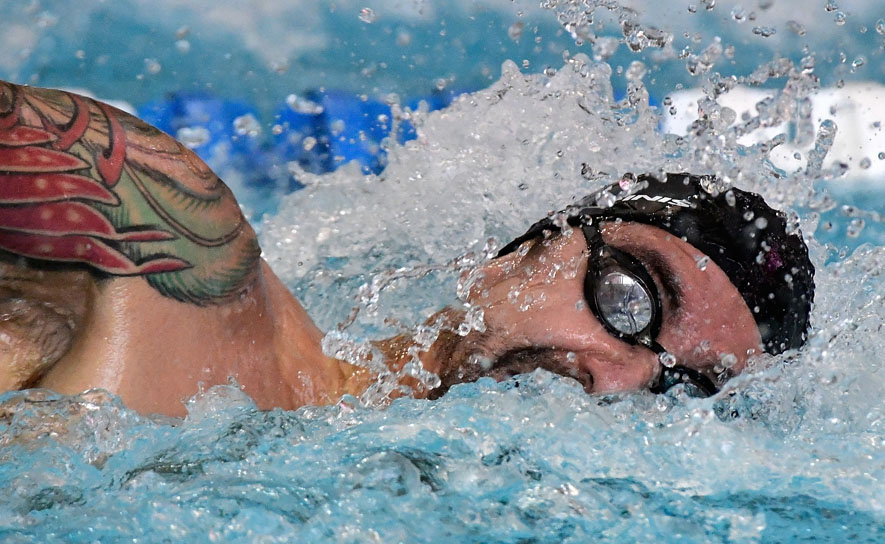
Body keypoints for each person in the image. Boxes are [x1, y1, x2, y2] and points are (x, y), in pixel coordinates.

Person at [0, 80, 815, 416]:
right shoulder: (182, 256)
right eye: (627, 300)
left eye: (679, 389)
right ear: (509, 257)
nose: (620, 379)